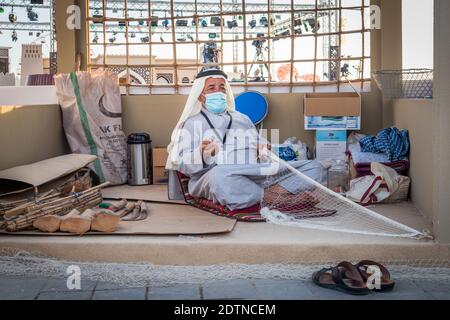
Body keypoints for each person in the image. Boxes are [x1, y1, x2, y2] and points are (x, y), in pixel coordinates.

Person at [166, 69, 326, 211]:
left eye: (222, 87)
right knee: (220, 176)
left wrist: (264, 149)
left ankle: (265, 195)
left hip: (254, 172)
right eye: (211, 88)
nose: (219, 92)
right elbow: (180, 162)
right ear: (201, 96)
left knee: (314, 167)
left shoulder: (242, 118)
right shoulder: (191, 123)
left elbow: (260, 146)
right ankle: (284, 199)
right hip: (219, 174)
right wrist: (201, 153)